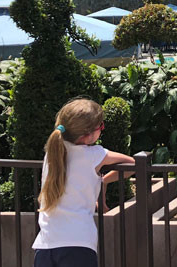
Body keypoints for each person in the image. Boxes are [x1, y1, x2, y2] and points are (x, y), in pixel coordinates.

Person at [32, 98, 135, 267]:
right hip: (78, 243)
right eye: (101, 126)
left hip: (45, 244)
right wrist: (104, 181)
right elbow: (133, 164)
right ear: (88, 135)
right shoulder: (94, 154)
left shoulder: (52, 153)